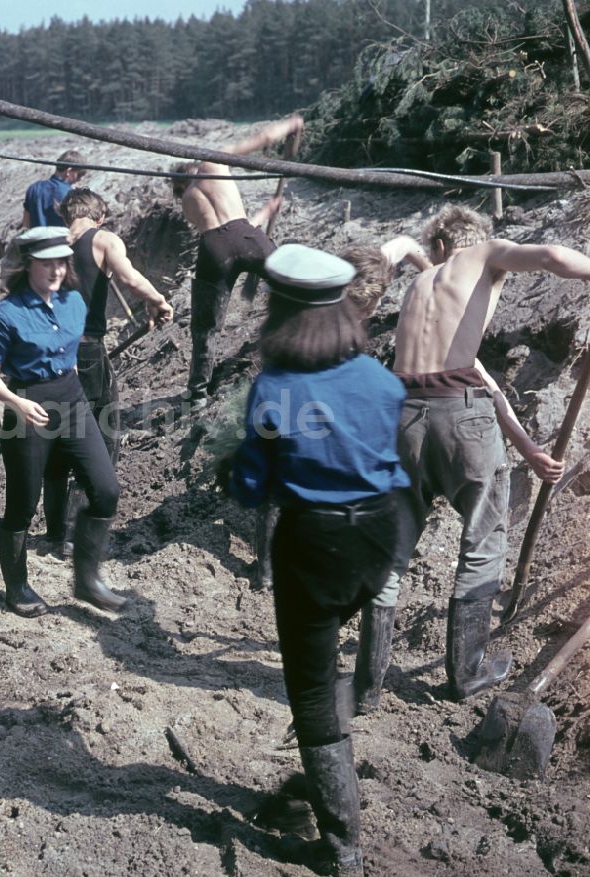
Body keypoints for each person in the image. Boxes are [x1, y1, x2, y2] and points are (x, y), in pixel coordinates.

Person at [230, 243, 409, 877]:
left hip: (313, 545)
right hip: (381, 537)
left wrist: (244, 461)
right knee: (343, 635)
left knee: (310, 688)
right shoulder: (382, 379)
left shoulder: (275, 390)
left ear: (280, 314)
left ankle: (342, 851)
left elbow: (252, 487)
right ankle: (350, 722)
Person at [353, 206, 576, 714]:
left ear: (437, 249)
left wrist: (531, 451)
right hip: (461, 422)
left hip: (403, 418)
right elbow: (551, 256)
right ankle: (467, 673)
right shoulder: (483, 256)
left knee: (391, 545)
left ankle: (367, 686)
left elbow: (485, 384)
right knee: (483, 539)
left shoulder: (426, 285)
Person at [0, 226, 127, 617]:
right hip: (28, 406)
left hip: (72, 400)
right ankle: (18, 587)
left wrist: (71, 382)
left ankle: (87, 579)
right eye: (48, 264)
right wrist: (16, 403)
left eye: (62, 262)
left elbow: (72, 351)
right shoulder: (6, 314)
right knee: (23, 506)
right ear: (29, 265)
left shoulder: (75, 302)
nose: (57, 270)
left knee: (106, 488)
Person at [39, 188, 173, 557]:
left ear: (67, 216)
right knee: (98, 437)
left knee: (56, 437)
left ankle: (53, 534)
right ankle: (73, 537)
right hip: (85, 351)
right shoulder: (103, 239)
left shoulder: (50, 244)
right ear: (100, 216)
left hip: (45, 354)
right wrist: (159, 302)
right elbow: (130, 279)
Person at [171, 115, 304, 406]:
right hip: (247, 236)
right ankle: (308, 341)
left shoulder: (186, 202)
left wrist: (266, 213)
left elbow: (222, 234)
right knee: (293, 285)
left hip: (213, 248)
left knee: (205, 326)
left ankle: (197, 393)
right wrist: (290, 126)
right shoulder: (212, 163)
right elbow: (262, 139)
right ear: (193, 165)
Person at [21, 149, 86, 228]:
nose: (79, 179)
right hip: (60, 239)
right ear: (68, 171)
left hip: (35, 239)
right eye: (79, 175)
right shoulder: (70, 194)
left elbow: (26, 223)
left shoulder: (34, 188)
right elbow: (75, 227)